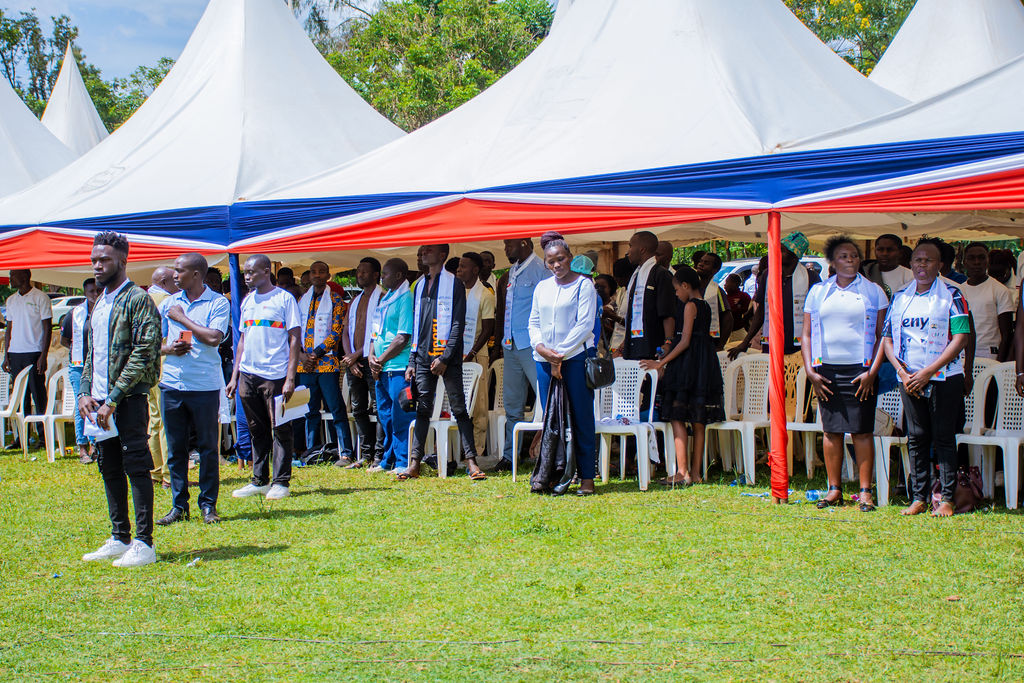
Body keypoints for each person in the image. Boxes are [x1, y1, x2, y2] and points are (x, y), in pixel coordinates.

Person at [78, 232, 161, 568]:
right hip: (99, 400)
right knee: (108, 466)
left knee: (136, 465)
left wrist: (112, 398)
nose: (97, 266)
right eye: (94, 260)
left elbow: (144, 352)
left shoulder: (137, 299)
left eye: (104, 260)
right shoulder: (100, 301)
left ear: (122, 261)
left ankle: (144, 543)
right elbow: (91, 353)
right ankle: (119, 536)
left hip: (126, 399)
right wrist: (84, 392)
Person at [882, 238, 971, 518]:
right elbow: (887, 339)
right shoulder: (900, 296)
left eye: (929, 260)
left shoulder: (952, 294)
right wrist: (902, 371)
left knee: (943, 437)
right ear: (911, 263)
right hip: (908, 378)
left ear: (940, 264)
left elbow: (961, 337)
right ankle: (918, 497)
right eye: (918, 260)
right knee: (917, 437)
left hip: (944, 377)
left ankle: (947, 499)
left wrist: (929, 371)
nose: (922, 265)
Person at [801, 237, 888, 512]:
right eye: (843, 256)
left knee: (861, 431)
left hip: (861, 370)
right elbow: (806, 334)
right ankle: (834, 489)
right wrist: (810, 371)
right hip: (825, 370)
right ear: (832, 261)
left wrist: (872, 372)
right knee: (831, 431)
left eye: (854, 255)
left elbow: (883, 336)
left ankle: (865, 492)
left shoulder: (873, 291)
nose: (850, 260)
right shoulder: (818, 291)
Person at [398, 244, 486, 481]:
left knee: (459, 408)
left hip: (448, 357)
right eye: (422, 250)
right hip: (422, 356)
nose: (423, 253)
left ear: (443, 255)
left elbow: (458, 323)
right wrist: (412, 360)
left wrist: (445, 357)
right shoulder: (419, 285)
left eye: (429, 249)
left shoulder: (454, 283)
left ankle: (471, 462)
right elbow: (416, 324)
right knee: (423, 408)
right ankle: (414, 463)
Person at [156, 253, 231, 526]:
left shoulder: (218, 302)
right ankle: (179, 506)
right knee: (176, 449)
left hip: (204, 386)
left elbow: (214, 338)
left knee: (208, 449)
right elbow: (153, 343)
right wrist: (169, 348)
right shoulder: (168, 303)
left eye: (179, 271)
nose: (174, 275)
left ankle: (208, 505)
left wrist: (183, 318)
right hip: (172, 384)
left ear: (196, 274)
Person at [640, 266, 725, 486]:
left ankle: (682, 471)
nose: (676, 294)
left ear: (685, 286)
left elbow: (685, 340)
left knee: (677, 414)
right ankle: (696, 473)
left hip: (688, 363)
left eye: (677, 290)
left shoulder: (689, 306)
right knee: (698, 419)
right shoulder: (705, 306)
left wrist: (661, 362)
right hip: (704, 362)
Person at [528, 232, 599, 495]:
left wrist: (559, 354)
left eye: (561, 259)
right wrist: (541, 348)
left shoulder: (584, 285)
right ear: (546, 263)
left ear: (570, 257)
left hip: (575, 359)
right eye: (551, 261)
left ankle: (587, 477)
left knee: (581, 417)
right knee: (552, 419)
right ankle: (552, 473)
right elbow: (533, 322)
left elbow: (584, 325)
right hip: (544, 360)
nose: (557, 265)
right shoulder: (542, 287)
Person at [227, 255, 302, 501]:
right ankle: (259, 480)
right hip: (248, 374)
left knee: (281, 428)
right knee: (256, 428)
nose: (247, 277)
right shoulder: (248, 300)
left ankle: (281, 482)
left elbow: (294, 338)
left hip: (276, 375)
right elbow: (243, 339)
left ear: (267, 271)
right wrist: (235, 376)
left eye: (252, 272)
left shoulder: (284, 299)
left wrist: (290, 377)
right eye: (245, 273)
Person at [493, 237, 552, 471]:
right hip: (511, 345)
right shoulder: (512, 271)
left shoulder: (541, 270)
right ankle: (511, 457)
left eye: (510, 245)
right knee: (512, 404)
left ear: (525, 244)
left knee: (546, 400)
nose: (506, 249)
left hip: (533, 345)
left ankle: (550, 455)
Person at [730, 232, 821, 360]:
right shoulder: (768, 275)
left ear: (795, 254)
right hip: (772, 342)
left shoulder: (811, 277)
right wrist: (745, 341)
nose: (777, 253)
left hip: (800, 345)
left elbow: (817, 314)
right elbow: (761, 311)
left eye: (782, 250)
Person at [296, 261, 354, 463]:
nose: (317, 275)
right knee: (309, 410)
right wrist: (303, 355)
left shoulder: (336, 300)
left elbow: (336, 331)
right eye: (313, 272)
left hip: (327, 363)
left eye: (322, 272)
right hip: (305, 364)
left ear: (328, 275)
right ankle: (311, 452)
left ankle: (346, 451)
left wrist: (316, 354)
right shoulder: (302, 300)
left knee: (335, 408)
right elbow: (295, 329)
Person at [368, 259, 415, 473]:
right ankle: (387, 460)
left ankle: (403, 461)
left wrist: (380, 359)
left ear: (398, 275)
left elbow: (402, 337)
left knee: (401, 416)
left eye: (385, 274)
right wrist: (371, 356)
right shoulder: (385, 298)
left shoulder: (406, 298)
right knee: (385, 416)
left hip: (398, 367)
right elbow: (375, 333)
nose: (381, 278)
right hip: (382, 368)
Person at [341, 257, 384, 468]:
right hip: (354, 362)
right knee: (358, 409)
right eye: (358, 271)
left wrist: (357, 355)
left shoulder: (383, 297)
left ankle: (380, 455)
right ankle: (365, 454)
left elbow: (378, 333)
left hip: (373, 360)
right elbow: (345, 331)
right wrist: (350, 358)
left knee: (378, 407)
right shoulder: (354, 300)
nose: (360, 275)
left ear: (376, 275)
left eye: (364, 271)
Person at [4, 268, 52, 445]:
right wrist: (6, 355)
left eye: (13, 275)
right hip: (15, 353)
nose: (10, 279)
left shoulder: (40, 297)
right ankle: (22, 437)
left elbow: (47, 328)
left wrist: (43, 355)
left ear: (25, 276)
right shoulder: (11, 300)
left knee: (38, 396)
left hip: (34, 353)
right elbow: (9, 329)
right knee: (20, 397)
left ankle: (43, 437)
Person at [457, 252, 496, 459]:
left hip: (477, 356)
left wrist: (471, 352)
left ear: (475, 270)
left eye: (463, 266)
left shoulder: (485, 295)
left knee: (479, 405)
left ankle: (477, 449)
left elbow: (488, 328)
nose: (459, 270)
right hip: (456, 357)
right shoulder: (455, 291)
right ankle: (456, 448)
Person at [619, 231, 676, 361]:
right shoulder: (636, 276)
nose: (628, 252)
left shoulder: (661, 274)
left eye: (630, 246)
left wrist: (668, 342)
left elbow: (667, 312)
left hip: (653, 345)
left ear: (642, 249)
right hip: (635, 344)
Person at [60, 278, 99, 463]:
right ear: (85, 293)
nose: (95, 294)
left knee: (96, 402)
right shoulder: (74, 313)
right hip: (79, 365)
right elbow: (64, 340)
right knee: (81, 403)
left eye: (98, 290)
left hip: (99, 365)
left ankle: (95, 444)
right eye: (91, 291)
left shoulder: (105, 310)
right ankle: (82, 446)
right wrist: (80, 351)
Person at [147, 266, 177, 488]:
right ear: (165, 282)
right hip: (164, 365)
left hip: (146, 367)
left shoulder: (143, 299)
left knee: (154, 420)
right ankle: (169, 475)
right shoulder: (168, 302)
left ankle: (156, 470)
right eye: (174, 279)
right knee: (168, 422)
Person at [961, 243, 1014, 361]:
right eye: (971, 258)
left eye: (981, 258)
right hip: (961, 355)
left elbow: (1007, 334)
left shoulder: (1000, 290)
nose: (977, 262)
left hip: (989, 355)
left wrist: (998, 364)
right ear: (964, 262)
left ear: (987, 261)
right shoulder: (958, 291)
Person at [694, 252, 734, 350]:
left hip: (709, 342)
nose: (701, 264)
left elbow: (728, 319)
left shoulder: (716, 291)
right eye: (701, 261)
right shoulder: (693, 287)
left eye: (706, 263)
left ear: (715, 270)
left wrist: (720, 346)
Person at [863, 234, 913, 299]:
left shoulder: (910, 276)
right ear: (875, 251)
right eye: (880, 249)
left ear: (900, 252)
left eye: (890, 250)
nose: (884, 253)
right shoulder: (865, 273)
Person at [608, 257, 635, 355]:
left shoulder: (635, 293)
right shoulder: (622, 291)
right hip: (615, 343)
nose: (615, 279)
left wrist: (612, 316)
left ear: (627, 276)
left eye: (618, 276)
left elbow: (633, 323)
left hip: (625, 346)